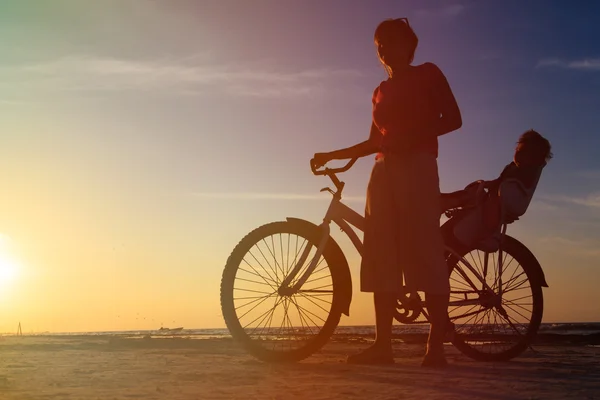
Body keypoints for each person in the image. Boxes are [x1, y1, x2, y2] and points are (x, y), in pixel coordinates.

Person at [311, 18, 462, 367]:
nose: (381, 49)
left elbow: (453, 118)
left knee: (425, 249)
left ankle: (435, 349)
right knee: (380, 254)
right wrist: (331, 155)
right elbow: (373, 142)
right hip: (382, 172)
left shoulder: (428, 73)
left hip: (419, 166)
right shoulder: (380, 90)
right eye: (378, 43)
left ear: (408, 44)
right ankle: (383, 346)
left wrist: (415, 135)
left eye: (389, 41)